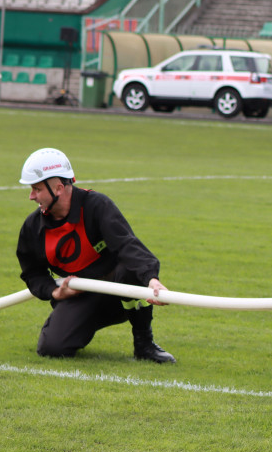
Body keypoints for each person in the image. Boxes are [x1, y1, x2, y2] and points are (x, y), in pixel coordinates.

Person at [15, 148, 176, 363]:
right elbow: (32, 272)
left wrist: (151, 279)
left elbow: (127, 245)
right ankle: (81, 322)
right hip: (79, 296)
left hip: (118, 293)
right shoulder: (32, 227)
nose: (31, 196)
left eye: (36, 189)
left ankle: (144, 344)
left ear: (58, 188)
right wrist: (55, 293)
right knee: (53, 347)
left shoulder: (96, 206)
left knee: (129, 269)